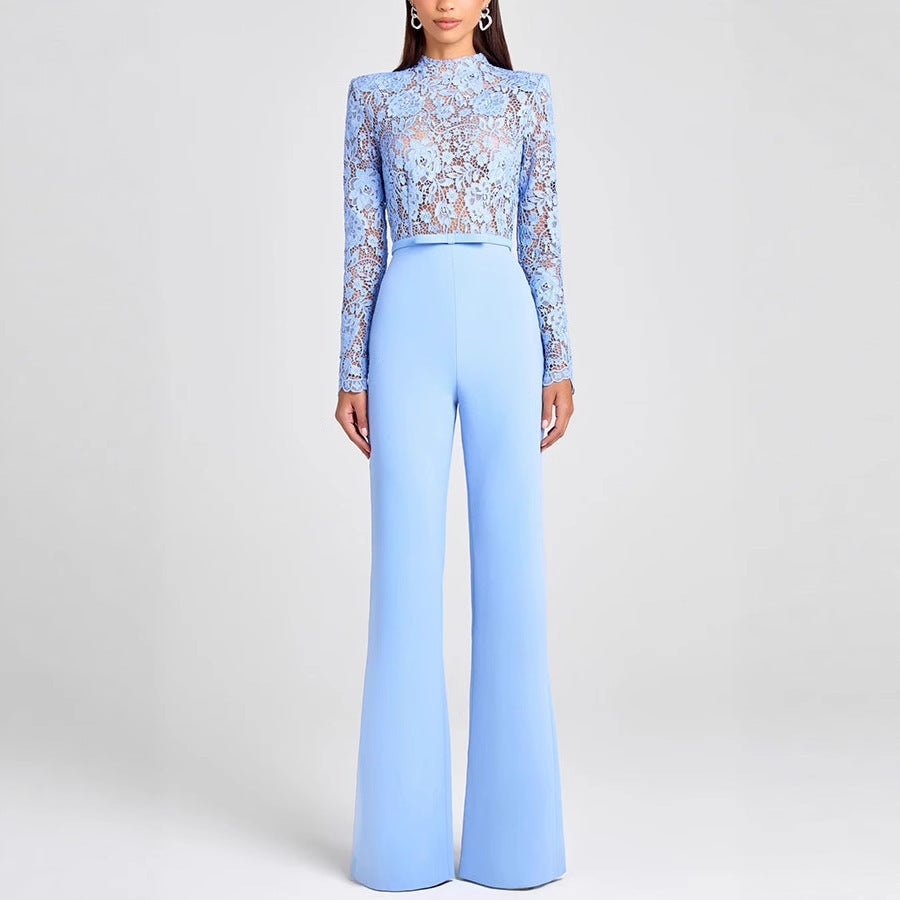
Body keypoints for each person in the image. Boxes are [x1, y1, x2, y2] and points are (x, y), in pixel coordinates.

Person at [334, 1, 574, 891]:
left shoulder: (526, 97)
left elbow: (541, 234)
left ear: (487, 5)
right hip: (406, 325)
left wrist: (560, 356)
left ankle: (516, 850)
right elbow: (363, 240)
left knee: (512, 576)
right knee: (403, 580)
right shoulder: (373, 98)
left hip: (507, 321)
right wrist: (351, 368)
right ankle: (400, 850)